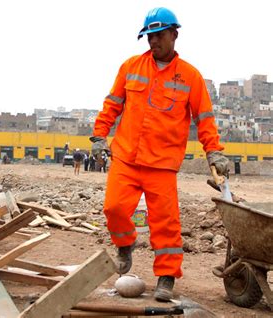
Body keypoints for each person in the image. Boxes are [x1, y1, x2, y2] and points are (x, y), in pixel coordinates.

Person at [90, 7, 229, 302]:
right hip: (126, 157)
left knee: (166, 224)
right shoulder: (131, 67)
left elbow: (204, 119)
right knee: (114, 209)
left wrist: (214, 152)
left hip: (162, 164)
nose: (153, 41)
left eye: (159, 35)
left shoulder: (190, 77)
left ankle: (166, 276)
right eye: (149, 36)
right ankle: (125, 245)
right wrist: (99, 135)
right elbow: (112, 104)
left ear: (174, 35)